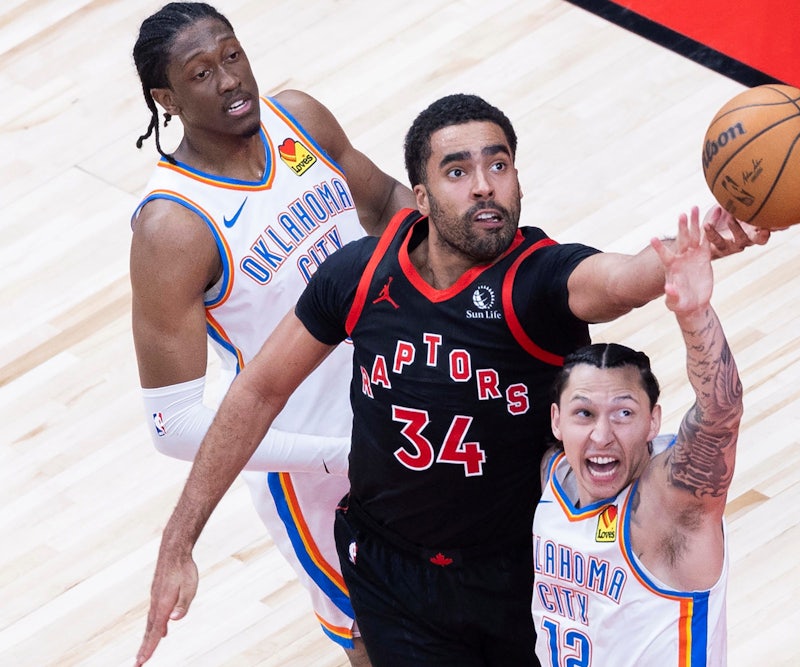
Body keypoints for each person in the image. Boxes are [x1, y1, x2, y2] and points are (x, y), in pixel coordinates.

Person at [135, 92, 767, 667]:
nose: (485, 187)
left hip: (521, 571)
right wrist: (179, 539)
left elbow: (618, 279)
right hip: (393, 575)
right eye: (458, 172)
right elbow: (258, 392)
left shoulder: (537, 279)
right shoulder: (360, 275)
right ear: (422, 195)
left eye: (499, 166)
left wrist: (695, 250)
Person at [129, 3, 414, 665]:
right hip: (319, 465)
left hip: (415, 399)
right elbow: (171, 424)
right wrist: (332, 456)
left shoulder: (300, 120)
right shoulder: (173, 226)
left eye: (232, 56)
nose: (229, 80)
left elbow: (390, 207)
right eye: (201, 73)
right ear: (165, 98)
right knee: (387, 640)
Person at [533, 212, 741, 666]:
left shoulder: (670, 507)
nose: (602, 435)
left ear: (653, 423)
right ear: (556, 421)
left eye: (624, 414)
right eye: (584, 414)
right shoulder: (555, 475)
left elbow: (719, 413)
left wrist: (694, 313)